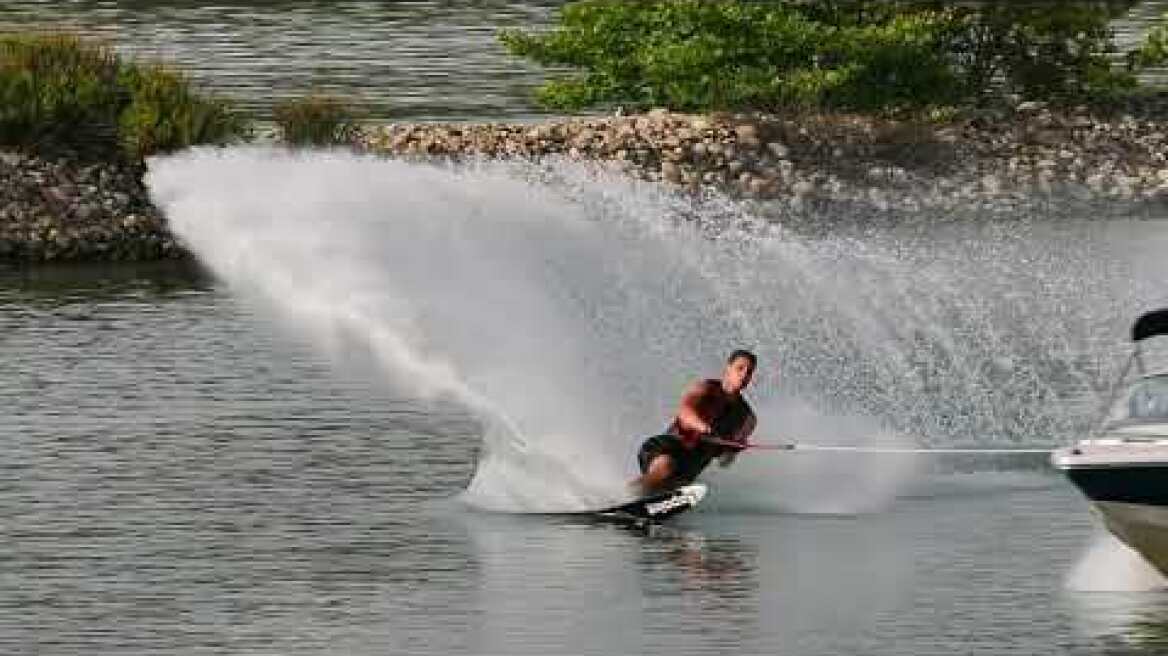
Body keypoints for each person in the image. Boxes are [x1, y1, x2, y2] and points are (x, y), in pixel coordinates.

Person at [632, 349, 759, 495]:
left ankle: (635, 505)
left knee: (666, 487)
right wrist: (704, 427)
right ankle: (620, 498)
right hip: (669, 447)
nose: (744, 375)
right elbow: (685, 412)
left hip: (692, 465)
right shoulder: (706, 388)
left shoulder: (748, 418)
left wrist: (734, 448)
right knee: (665, 469)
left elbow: (724, 462)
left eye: (749, 372)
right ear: (728, 368)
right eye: (740, 368)